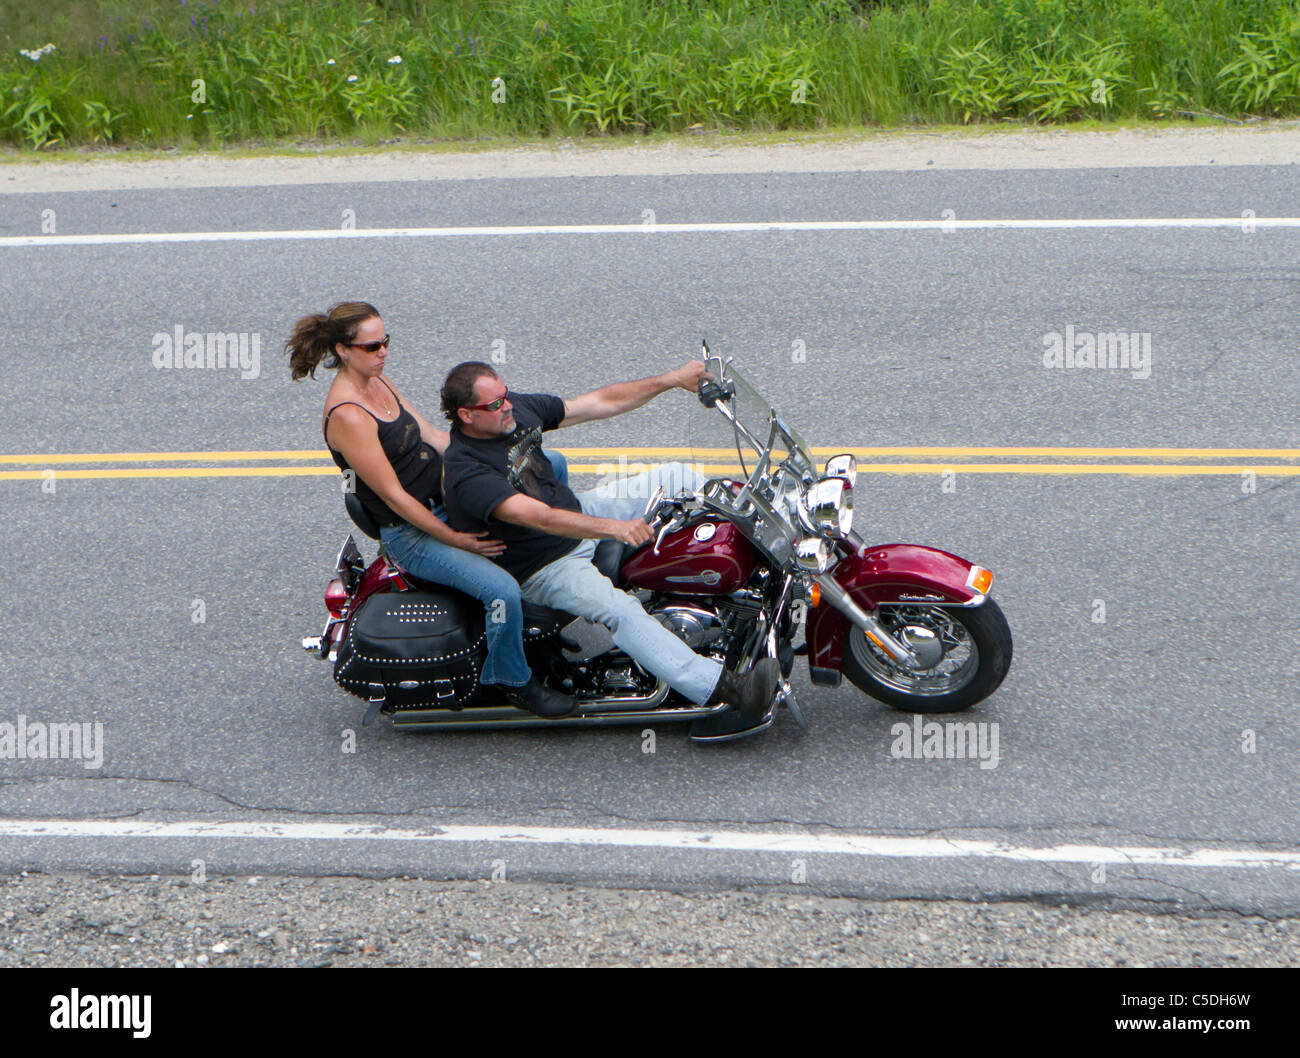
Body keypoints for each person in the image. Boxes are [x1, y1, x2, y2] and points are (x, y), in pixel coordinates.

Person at [439, 359, 780, 740]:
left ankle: (762, 543)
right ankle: (727, 689)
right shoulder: (466, 472)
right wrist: (614, 529)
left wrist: (671, 380)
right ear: (466, 415)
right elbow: (541, 518)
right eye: (494, 404)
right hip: (547, 565)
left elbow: (599, 402)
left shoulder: (511, 411)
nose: (506, 407)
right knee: (621, 611)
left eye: (504, 396)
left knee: (677, 475)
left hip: (578, 512)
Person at [286, 303, 575, 717]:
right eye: (372, 346)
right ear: (343, 351)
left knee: (553, 465)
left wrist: (494, 459)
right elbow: (395, 497)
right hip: (414, 532)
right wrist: (457, 540)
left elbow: (437, 438)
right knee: (501, 591)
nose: (383, 351)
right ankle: (514, 680)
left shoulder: (379, 381)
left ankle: (539, 619)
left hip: (445, 497)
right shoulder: (348, 415)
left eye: (385, 341)